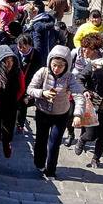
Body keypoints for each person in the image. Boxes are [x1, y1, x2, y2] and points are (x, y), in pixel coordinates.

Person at [27, 46, 83, 179]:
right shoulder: (43, 72)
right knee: (41, 140)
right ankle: (39, 162)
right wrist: (42, 93)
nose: (56, 69)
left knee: (54, 143)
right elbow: (30, 89)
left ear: (67, 65)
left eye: (60, 66)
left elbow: (78, 95)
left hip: (61, 114)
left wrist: (77, 114)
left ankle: (51, 170)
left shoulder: (70, 78)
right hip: (42, 112)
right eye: (54, 65)